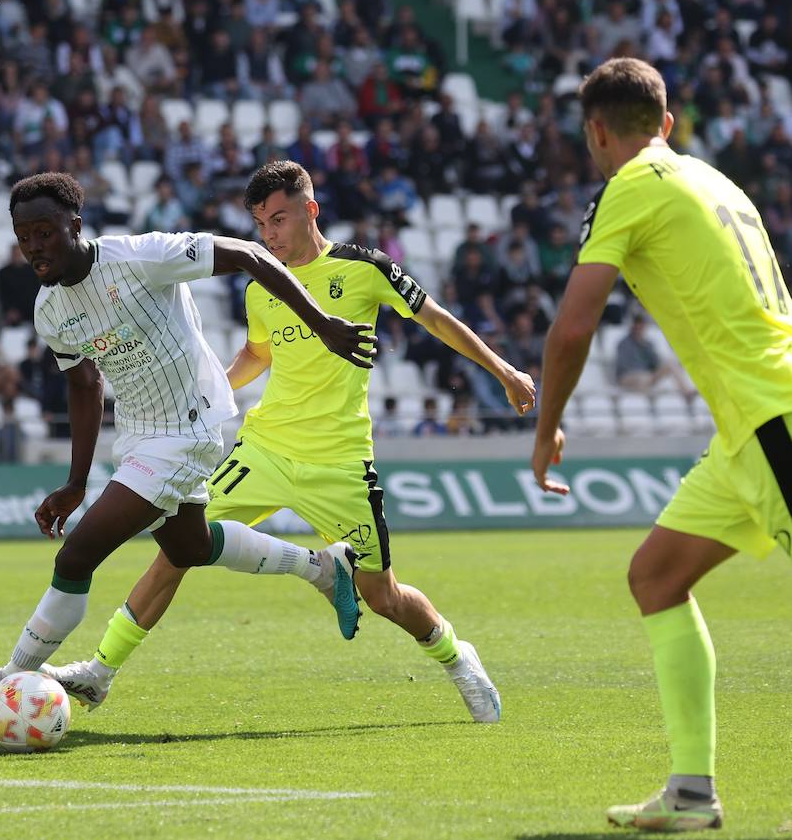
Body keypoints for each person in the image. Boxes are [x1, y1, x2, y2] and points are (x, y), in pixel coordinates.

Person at [43, 162, 533, 720]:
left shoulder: (364, 268)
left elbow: (437, 320)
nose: (270, 235)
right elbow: (258, 354)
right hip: (265, 449)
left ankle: (457, 657)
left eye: (279, 219)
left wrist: (505, 373)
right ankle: (101, 671)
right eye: (260, 224)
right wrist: (209, 391)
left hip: (343, 463)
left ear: (310, 209)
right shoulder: (262, 289)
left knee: (383, 597)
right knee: (179, 549)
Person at [0, 171, 376, 711]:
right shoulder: (49, 309)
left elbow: (250, 256)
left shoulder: (142, 256)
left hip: (191, 424)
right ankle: (323, 568)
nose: (34, 247)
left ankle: (2, 681)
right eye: (24, 236)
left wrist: (322, 322)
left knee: (76, 558)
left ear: (75, 224)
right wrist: (75, 482)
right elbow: (84, 383)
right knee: (190, 546)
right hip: (139, 434)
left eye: (45, 231)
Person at [530, 58, 792, 832]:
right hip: (749, 426)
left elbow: (573, 326)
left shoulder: (630, 186)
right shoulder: (713, 180)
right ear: (667, 123)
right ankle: (691, 792)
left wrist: (545, 429)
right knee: (656, 576)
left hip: (773, 418)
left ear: (597, 133)